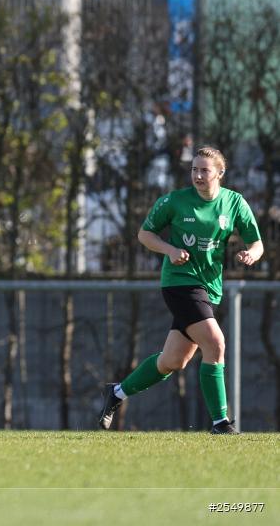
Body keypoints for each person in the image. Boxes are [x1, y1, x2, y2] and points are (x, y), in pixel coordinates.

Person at [98, 147, 262, 434]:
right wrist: (170, 250)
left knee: (173, 360)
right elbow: (144, 234)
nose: (197, 175)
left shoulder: (234, 202)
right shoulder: (174, 201)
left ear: (220, 173)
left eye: (204, 170)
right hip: (179, 282)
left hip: (209, 287)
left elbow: (257, 243)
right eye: (194, 169)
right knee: (216, 343)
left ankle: (117, 392)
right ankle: (220, 423)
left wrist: (251, 254)